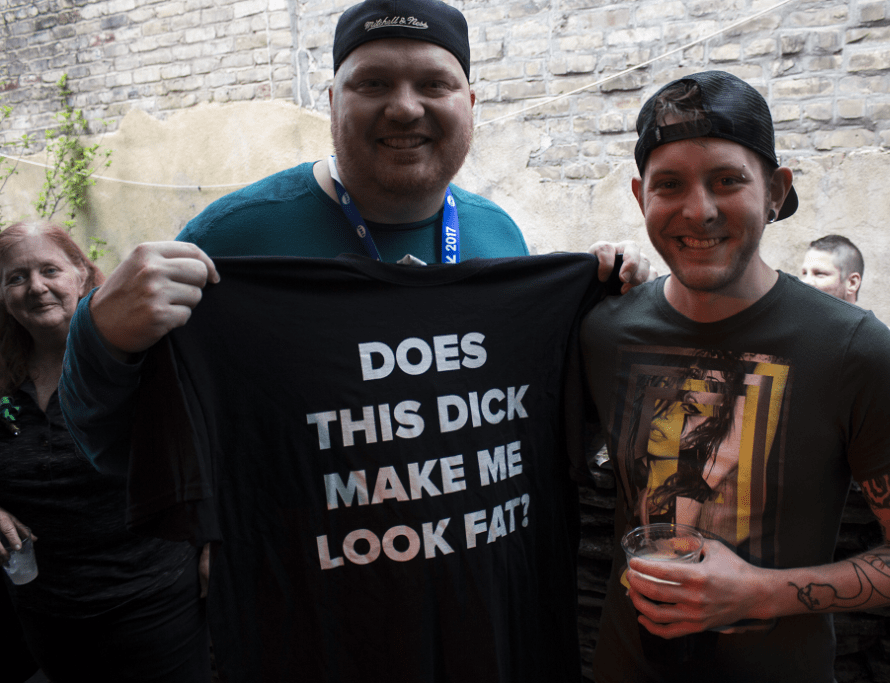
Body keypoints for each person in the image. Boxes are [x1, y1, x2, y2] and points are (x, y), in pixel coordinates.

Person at [59, 1, 647, 680]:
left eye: (434, 83)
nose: (405, 107)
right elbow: (114, 447)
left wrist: (609, 308)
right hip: (317, 640)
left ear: (470, 103)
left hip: (487, 631)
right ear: (333, 101)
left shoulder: (499, 237)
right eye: (373, 83)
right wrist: (102, 335)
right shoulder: (233, 243)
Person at [580, 71, 890, 682]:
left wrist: (758, 593)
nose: (698, 210)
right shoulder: (603, 331)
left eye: (727, 180)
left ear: (776, 192)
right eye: (669, 184)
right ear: (640, 195)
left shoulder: (853, 347)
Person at [1, 221, 210, 683]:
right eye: (15, 277)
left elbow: (210, 444)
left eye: (49, 270)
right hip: (48, 615)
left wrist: (217, 542)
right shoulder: (3, 374)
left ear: (81, 272)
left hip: (155, 604)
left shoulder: (138, 352)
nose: (35, 287)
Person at [799, 234, 890, 387]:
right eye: (804, 273)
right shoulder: (798, 341)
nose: (805, 282)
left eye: (819, 274)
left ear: (852, 283)